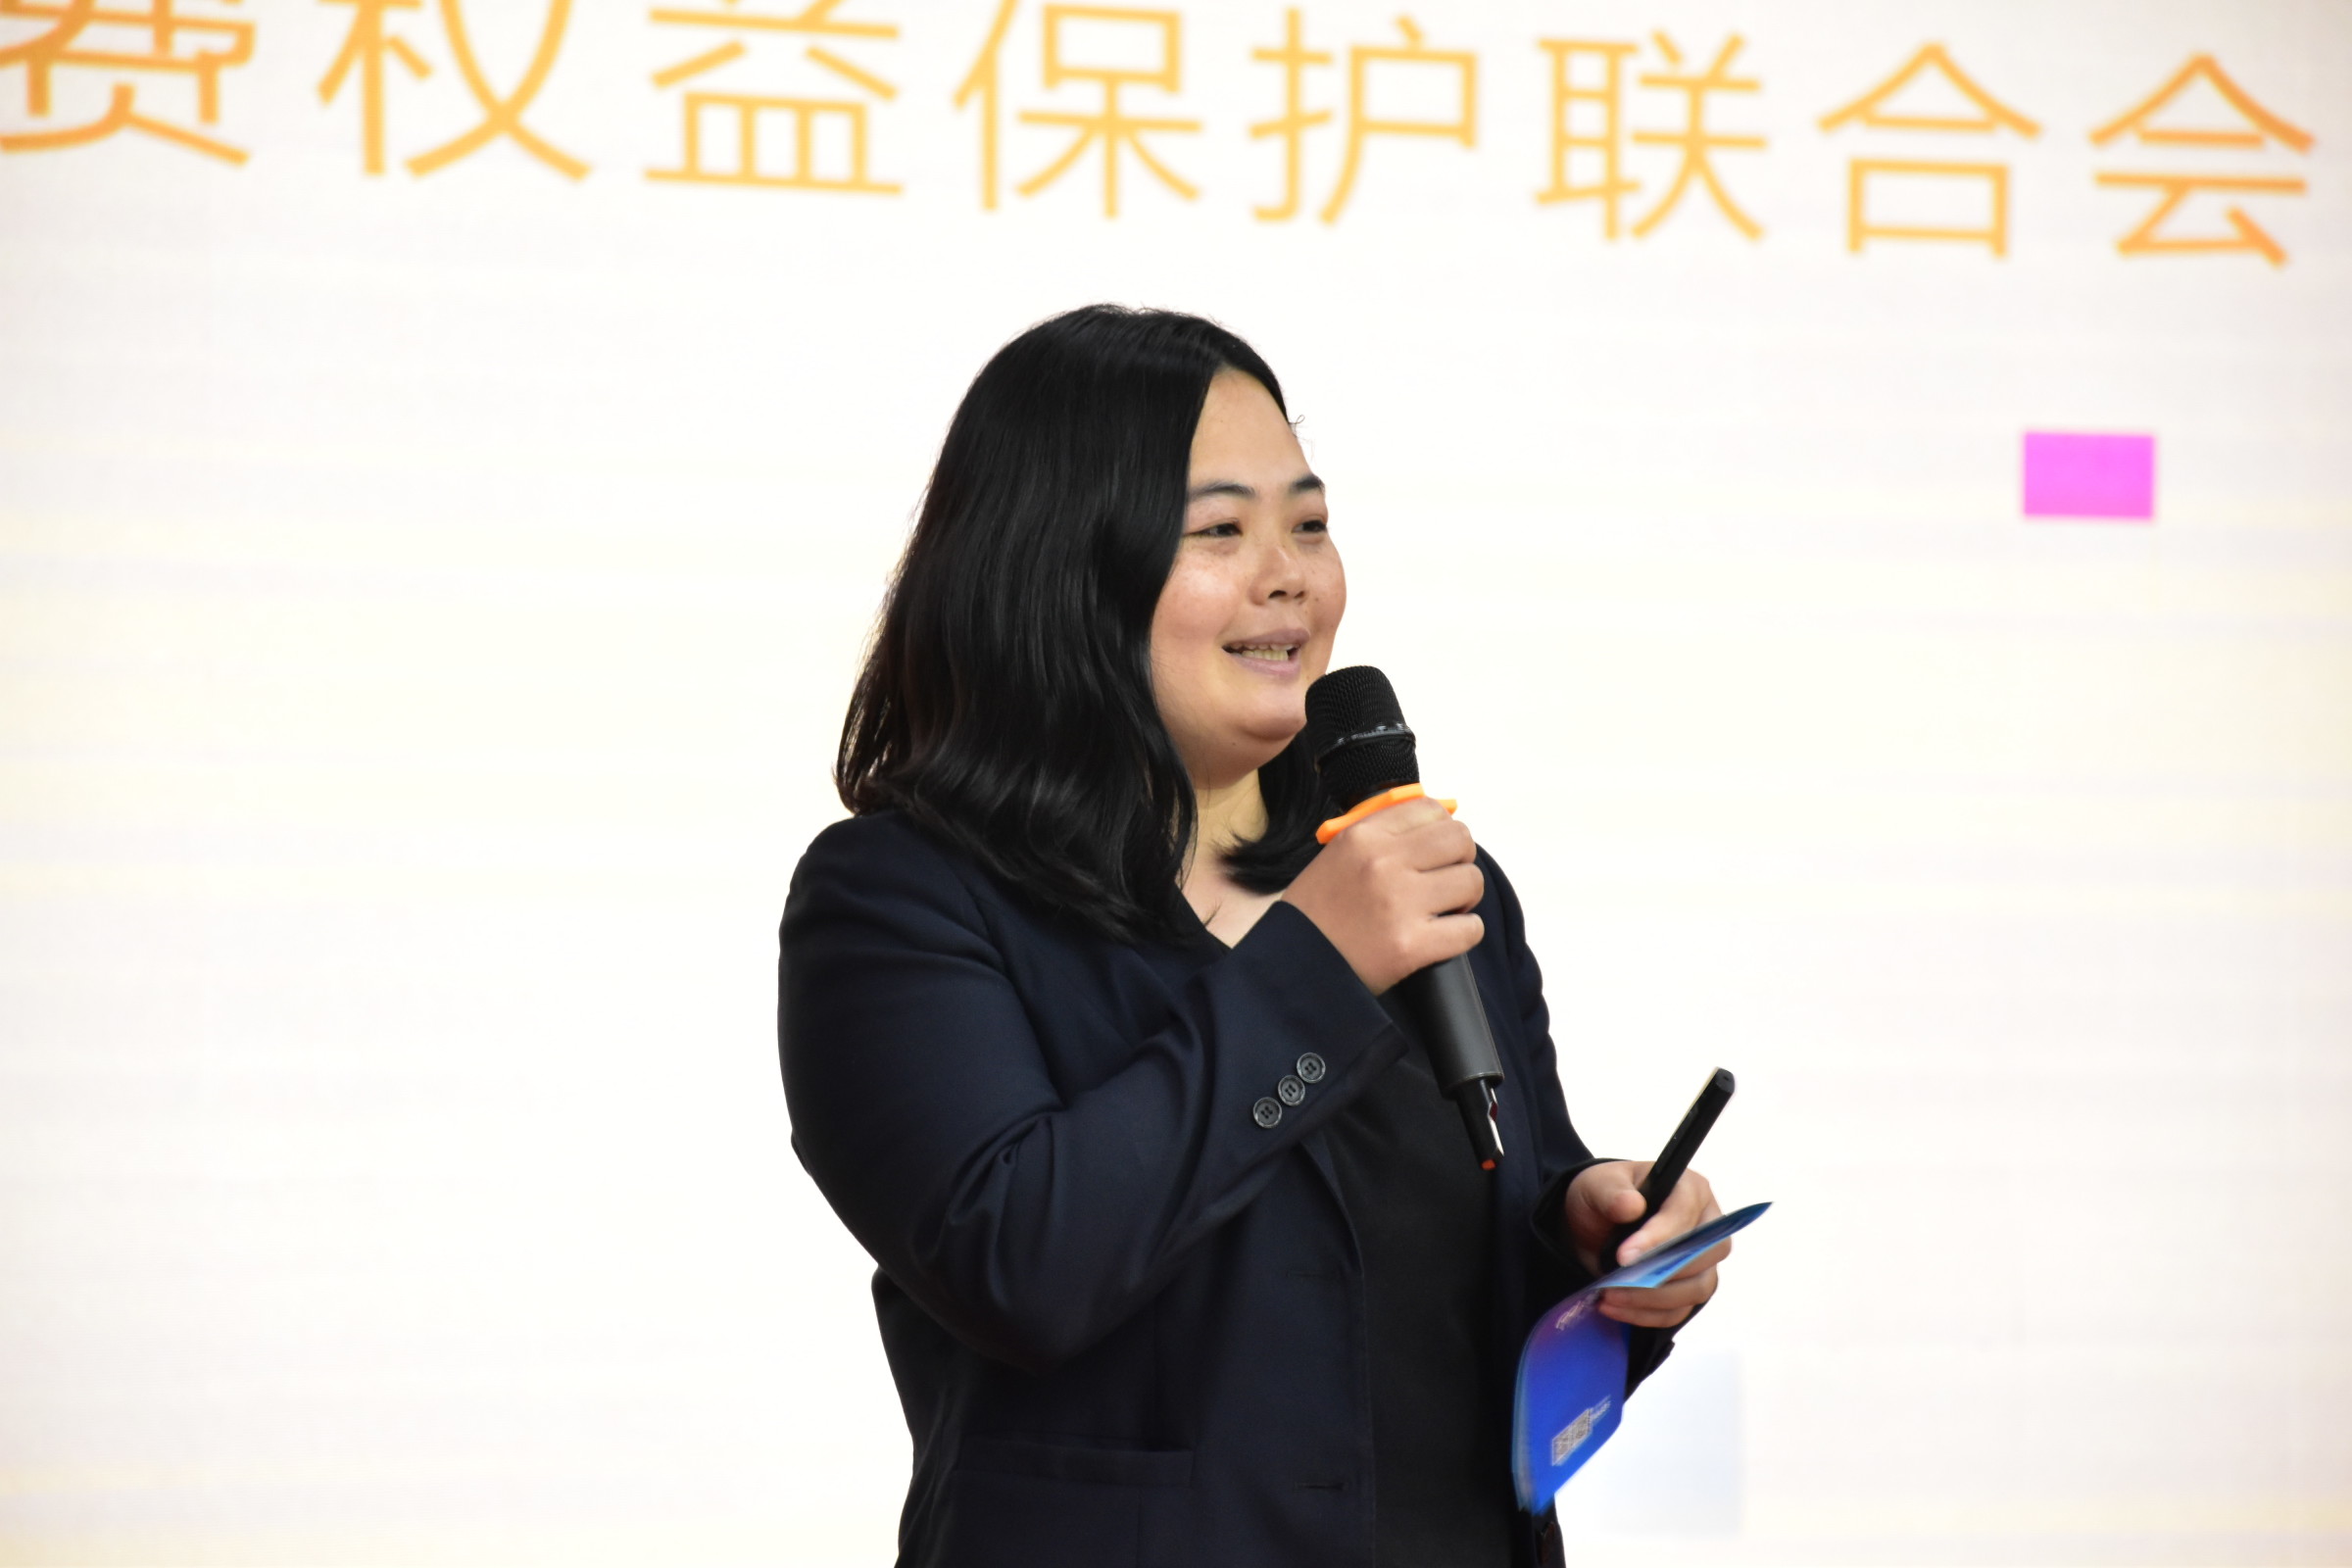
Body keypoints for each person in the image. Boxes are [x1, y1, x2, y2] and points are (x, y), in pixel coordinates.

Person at [779, 306, 1731, 1568]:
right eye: (1221, 531)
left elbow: (1474, 1296)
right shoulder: (902, 899)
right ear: (1060, 567)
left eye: (1310, 525)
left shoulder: (1425, 880)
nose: (1289, 576)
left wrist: (1601, 1253)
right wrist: (1315, 967)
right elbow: (1020, 1268)